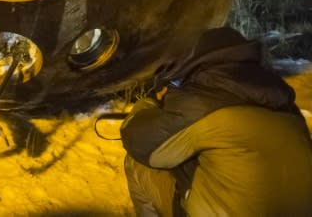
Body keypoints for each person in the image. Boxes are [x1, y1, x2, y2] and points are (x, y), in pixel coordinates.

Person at [120, 27, 312, 216]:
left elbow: (138, 140)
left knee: (138, 164)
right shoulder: (287, 107)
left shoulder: (202, 102)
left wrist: (148, 103)